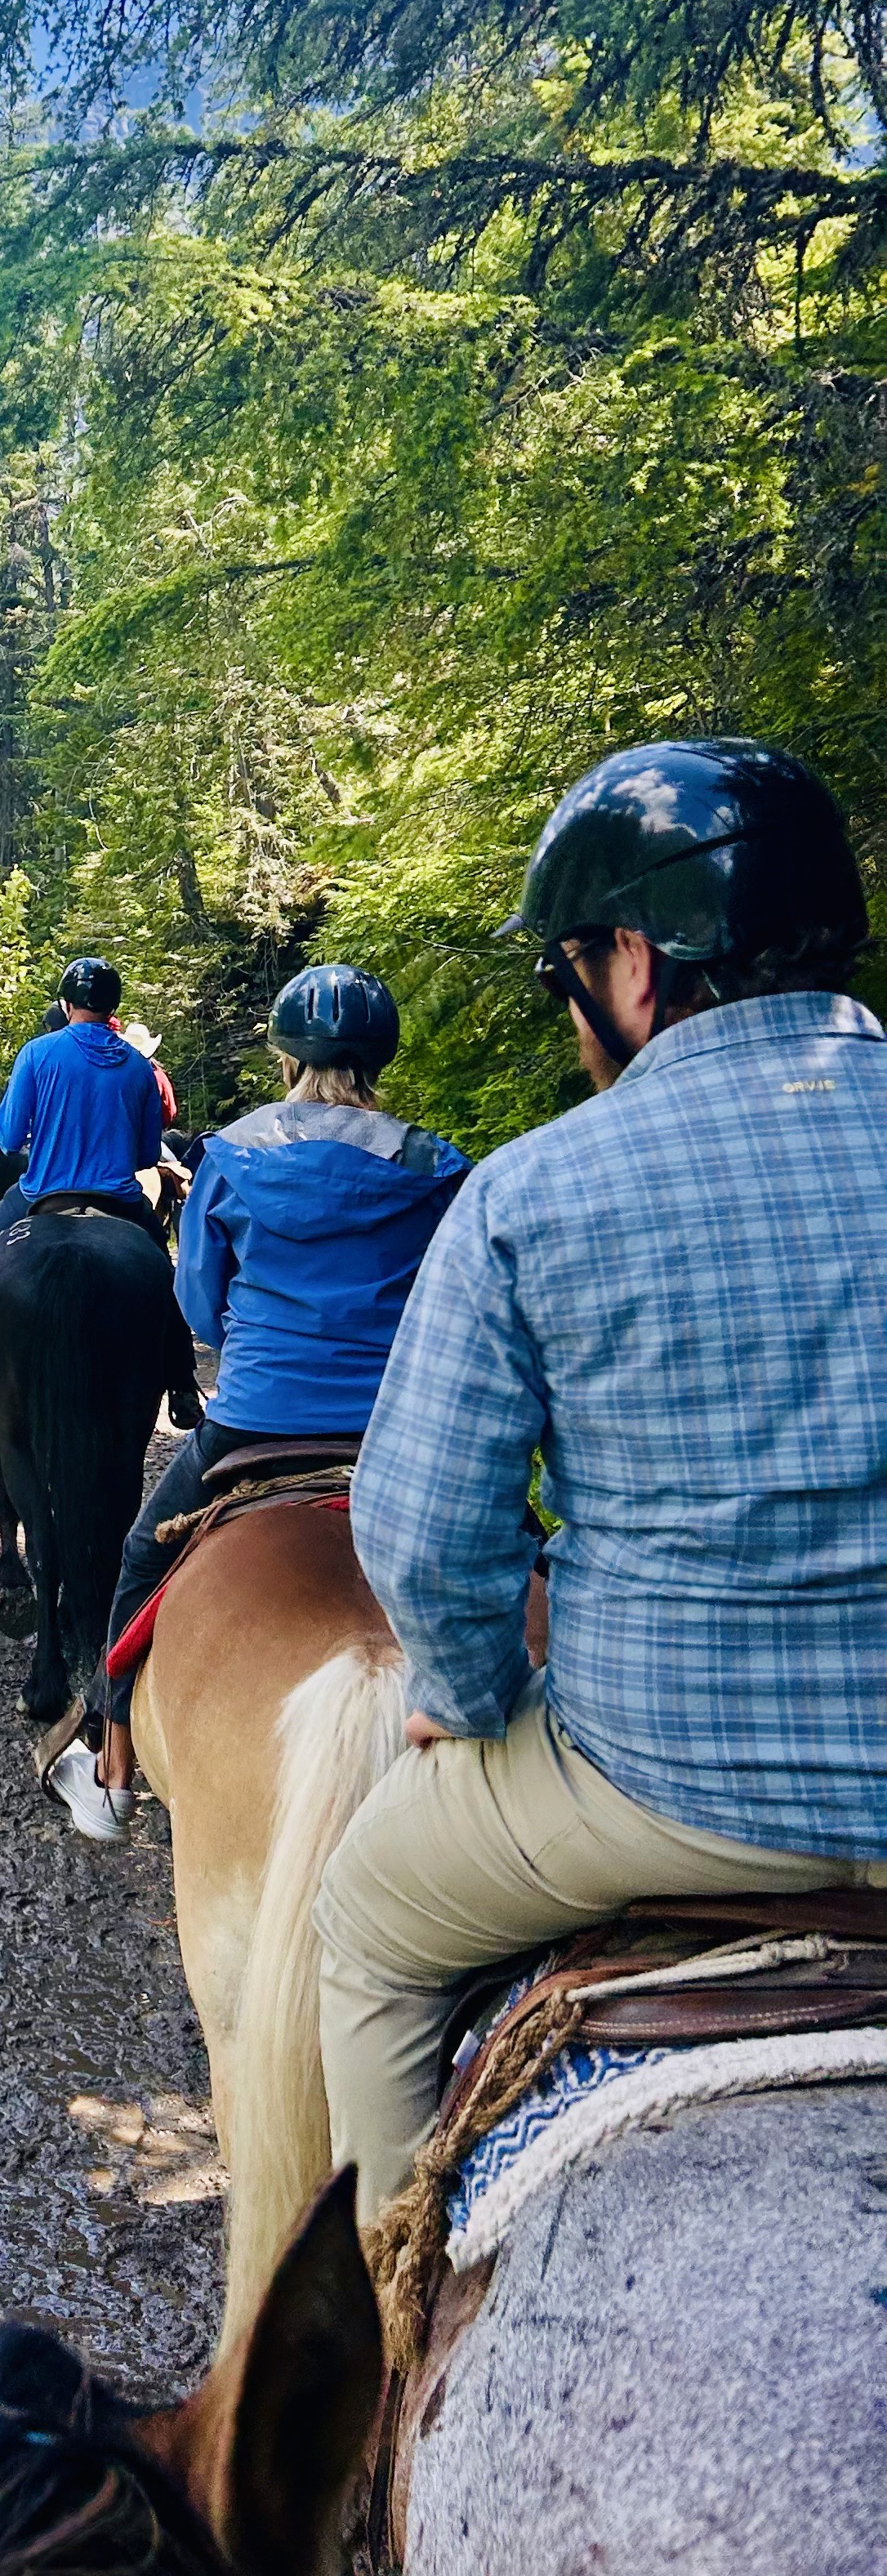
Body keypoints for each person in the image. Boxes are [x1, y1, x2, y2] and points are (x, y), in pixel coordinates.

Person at [319, 739, 887, 2223]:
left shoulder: (533, 1188)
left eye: (570, 965)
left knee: (363, 1923)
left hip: (661, 1787)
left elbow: (421, 1530)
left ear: (633, 959)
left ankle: (370, 2369)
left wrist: (461, 1689)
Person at [45, 963, 470, 1842]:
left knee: (138, 1557)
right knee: (531, 1550)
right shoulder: (434, 1164)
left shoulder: (233, 1155)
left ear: (284, 1058)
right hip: (399, 1428)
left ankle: (114, 1768)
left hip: (258, 1418)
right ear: (379, 1058)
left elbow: (199, 1304)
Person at [0, 955, 172, 1409]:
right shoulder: (138, 1068)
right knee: (166, 1272)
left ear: (65, 1002)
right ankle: (183, 1379)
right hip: (120, 1199)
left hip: (43, 1193)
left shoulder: (38, 1053)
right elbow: (147, 1154)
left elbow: (10, 1139)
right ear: (114, 1006)